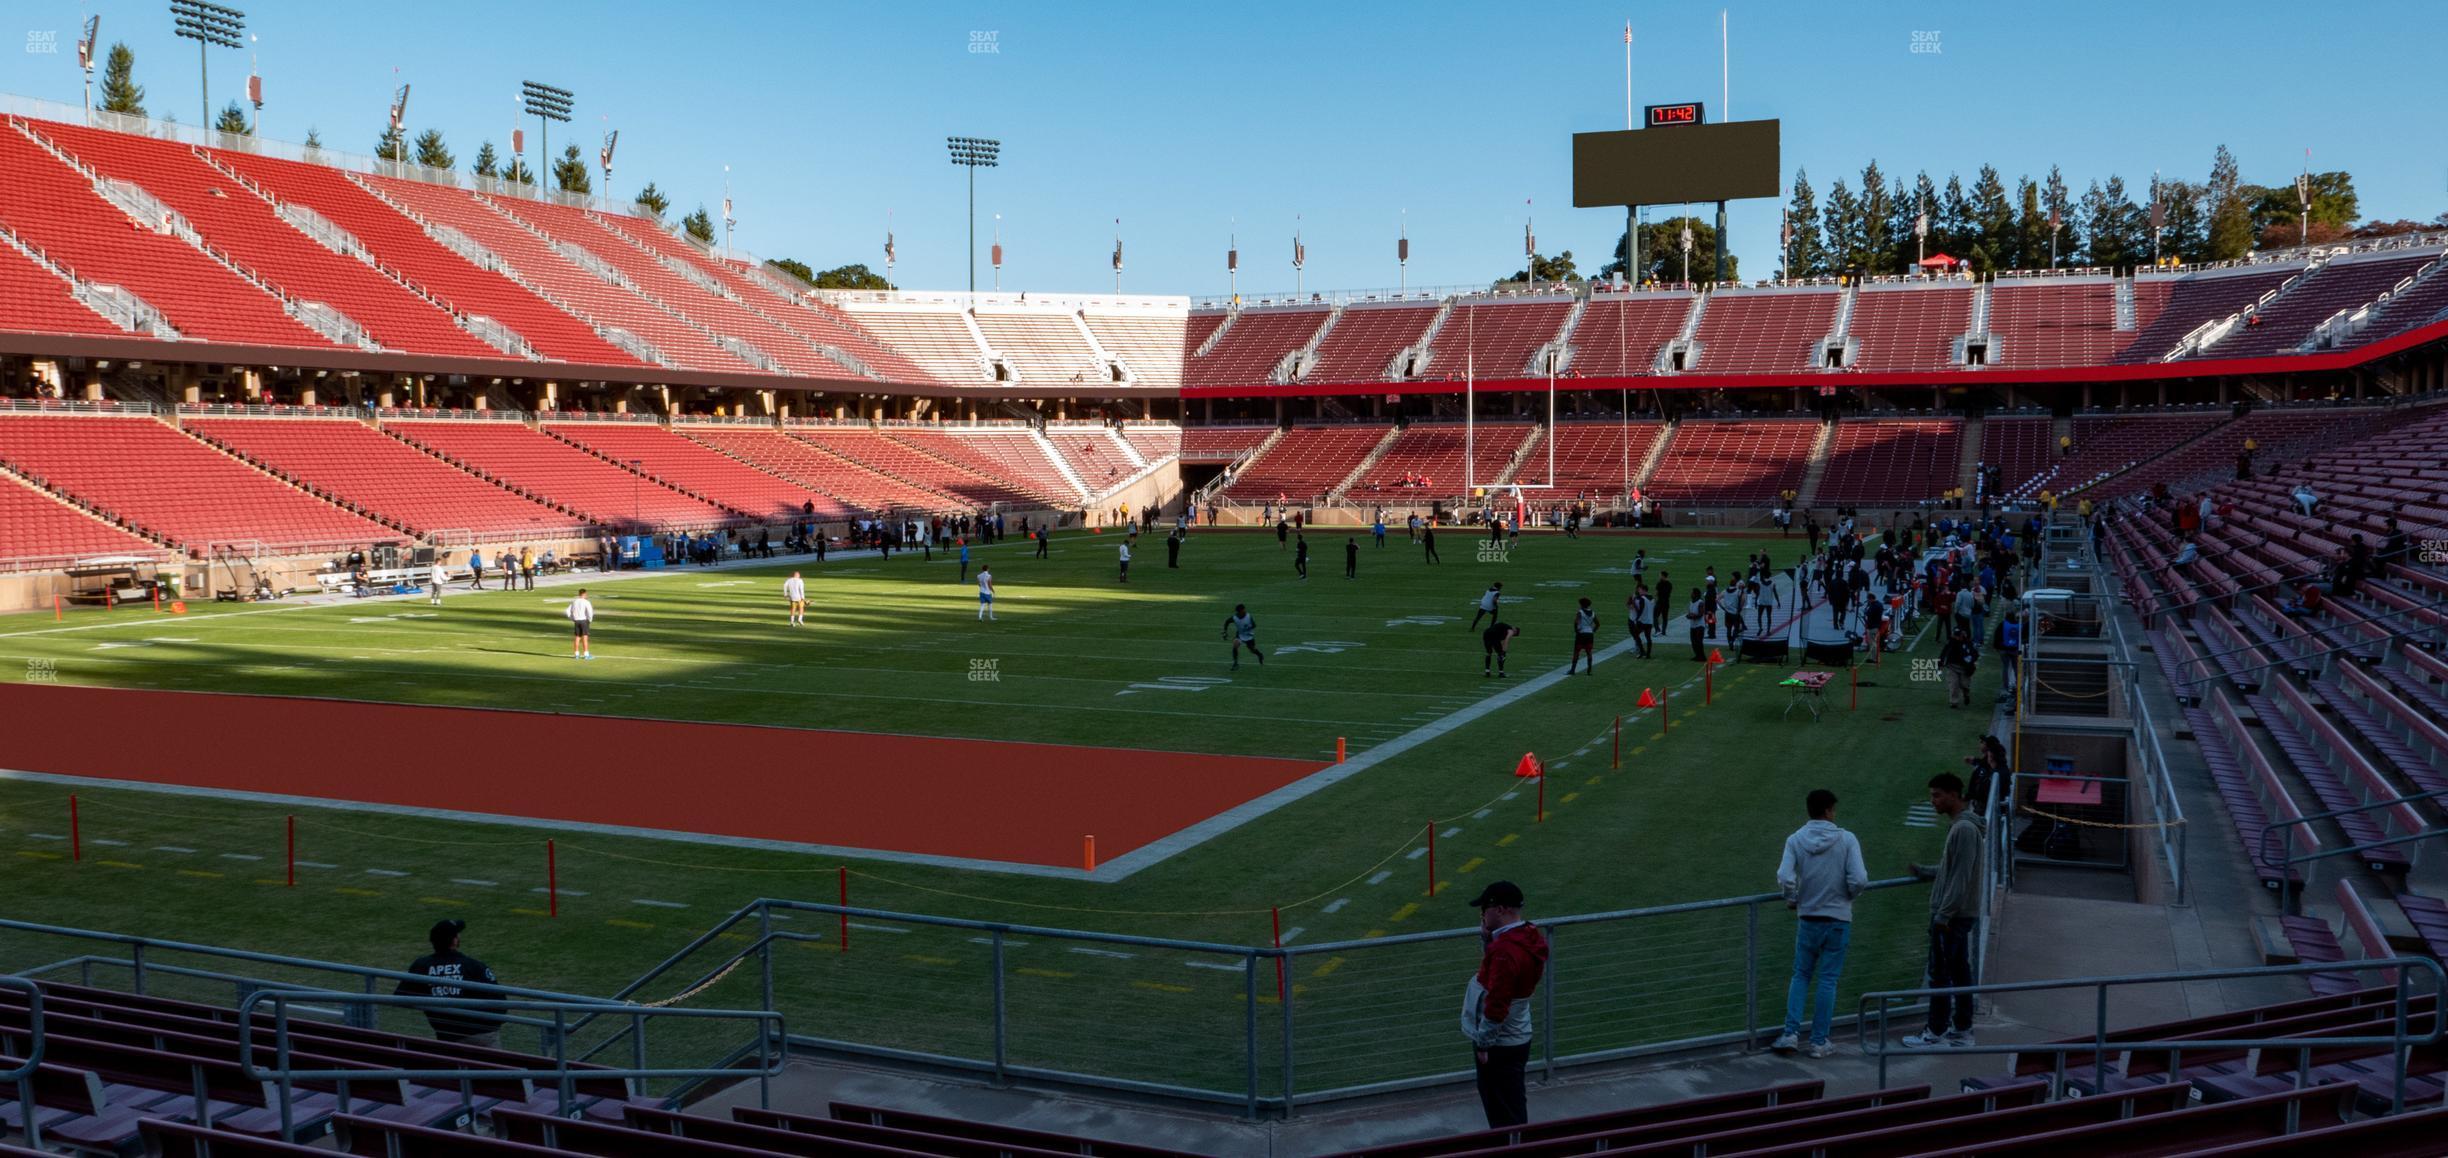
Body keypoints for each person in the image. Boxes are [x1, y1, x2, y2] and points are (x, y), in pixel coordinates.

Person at [1773, 789, 1868, 1058]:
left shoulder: (1795, 840)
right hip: (1838, 919)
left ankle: (1790, 1033)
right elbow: (1859, 879)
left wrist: (1792, 899)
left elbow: (1784, 875)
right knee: (1828, 980)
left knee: (1801, 975)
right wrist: (1848, 895)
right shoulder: (1847, 839)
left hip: (1808, 918)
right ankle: (1818, 1041)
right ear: (1828, 811)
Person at [1905, 773, 1984, 1049]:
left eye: (1937, 795)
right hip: (1958, 915)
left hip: (1952, 917)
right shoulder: (1963, 827)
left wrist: (1943, 915)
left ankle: (1935, 1031)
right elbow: (1953, 871)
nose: (1933, 801)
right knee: (1960, 971)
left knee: (1940, 974)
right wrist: (1926, 872)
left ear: (1954, 794)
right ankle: (1961, 1028)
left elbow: (1960, 878)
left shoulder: (1963, 830)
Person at [1461, 881, 1548, 1129]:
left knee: (1503, 1114)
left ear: (1499, 910)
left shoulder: (1505, 950)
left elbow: (1497, 1001)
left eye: (1484, 909)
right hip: (1517, 1037)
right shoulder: (1527, 936)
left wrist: (1483, 1043)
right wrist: (1489, 941)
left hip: (1499, 1044)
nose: (1481, 915)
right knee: (1511, 1105)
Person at [397, 919, 504, 1047]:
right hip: (483, 1035)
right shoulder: (474, 966)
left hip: (447, 1036)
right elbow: (501, 1004)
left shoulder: (421, 966)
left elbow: (401, 997)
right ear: (454, 941)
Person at [1940, 628, 1976, 708]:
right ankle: (1954, 702)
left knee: (1965, 685)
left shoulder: (1968, 643)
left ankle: (1966, 694)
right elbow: (1944, 652)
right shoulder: (1951, 642)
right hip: (1952, 666)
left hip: (1964, 668)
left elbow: (1974, 654)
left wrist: (1971, 664)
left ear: (1961, 635)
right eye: (1955, 635)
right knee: (1953, 684)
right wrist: (1940, 663)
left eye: (1957, 636)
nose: (1956, 637)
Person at [1223, 604, 1264, 670]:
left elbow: (1254, 625)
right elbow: (1227, 622)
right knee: (1235, 644)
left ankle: (1259, 655)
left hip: (1249, 635)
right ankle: (1235, 663)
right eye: (1243, 610)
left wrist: (1248, 628)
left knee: (1252, 650)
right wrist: (1225, 631)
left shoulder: (1248, 616)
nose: (1245, 611)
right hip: (1240, 635)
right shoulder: (1234, 618)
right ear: (1240, 611)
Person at [1568, 598, 1597, 674]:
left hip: (1581, 634)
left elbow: (1576, 622)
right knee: (1589, 652)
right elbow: (1598, 624)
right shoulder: (1593, 612)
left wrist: (1576, 631)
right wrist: (1593, 630)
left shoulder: (1580, 612)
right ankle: (1589, 670)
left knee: (1577, 651)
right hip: (1590, 634)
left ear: (1581, 604)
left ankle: (1573, 670)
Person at [564, 588, 596, 659]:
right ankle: (586, 654)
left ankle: (576, 654)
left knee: (577, 637)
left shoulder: (574, 601)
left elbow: (567, 611)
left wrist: (572, 618)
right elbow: (590, 612)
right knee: (585, 637)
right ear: (584, 594)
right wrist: (590, 620)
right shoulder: (586, 602)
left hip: (577, 621)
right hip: (584, 621)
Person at [1626, 586, 1654, 658]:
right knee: (1647, 637)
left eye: (1640, 590)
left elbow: (1640, 610)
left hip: (1642, 621)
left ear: (1643, 590)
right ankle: (1647, 654)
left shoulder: (1642, 599)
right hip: (1649, 620)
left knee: (1636, 634)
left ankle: (1641, 651)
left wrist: (1637, 619)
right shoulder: (1650, 598)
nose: (1639, 591)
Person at [1684, 591, 1708, 661]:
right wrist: (1689, 615)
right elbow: (1690, 612)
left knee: (1699, 642)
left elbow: (1700, 614)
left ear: (1696, 595)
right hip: (1693, 625)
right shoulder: (1691, 602)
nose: (1691, 594)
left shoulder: (1700, 603)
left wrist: (1692, 616)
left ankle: (1702, 657)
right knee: (1694, 642)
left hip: (1700, 626)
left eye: (1692, 593)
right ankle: (1697, 655)